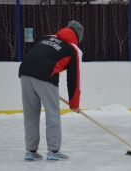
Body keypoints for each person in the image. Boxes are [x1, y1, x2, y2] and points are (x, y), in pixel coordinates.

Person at [19, 20, 84, 161]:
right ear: (78, 36)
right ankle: (53, 151)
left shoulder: (47, 38)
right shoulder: (73, 49)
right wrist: (74, 104)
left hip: (25, 72)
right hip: (46, 76)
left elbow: (37, 55)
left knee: (30, 114)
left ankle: (30, 152)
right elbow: (74, 78)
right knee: (52, 114)